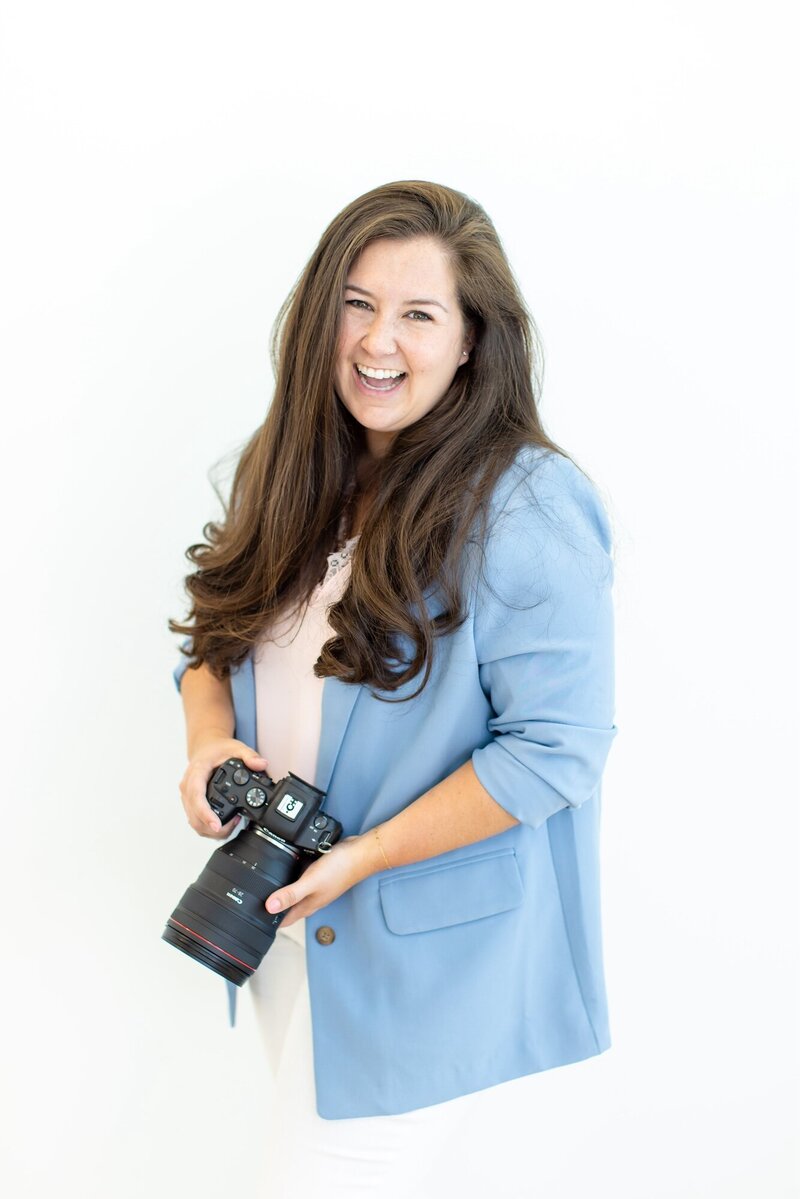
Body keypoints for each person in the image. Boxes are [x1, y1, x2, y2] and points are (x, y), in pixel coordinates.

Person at [168, 180, 618, 1196]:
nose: (378, 340)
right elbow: (209, 637)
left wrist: (363, 854)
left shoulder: (527, 503)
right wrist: (205, 746)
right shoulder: (285, 467)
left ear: (469, 341)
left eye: (419, 314)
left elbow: (558, 748)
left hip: (418, 959)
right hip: (284, 931)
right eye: (356, 303)